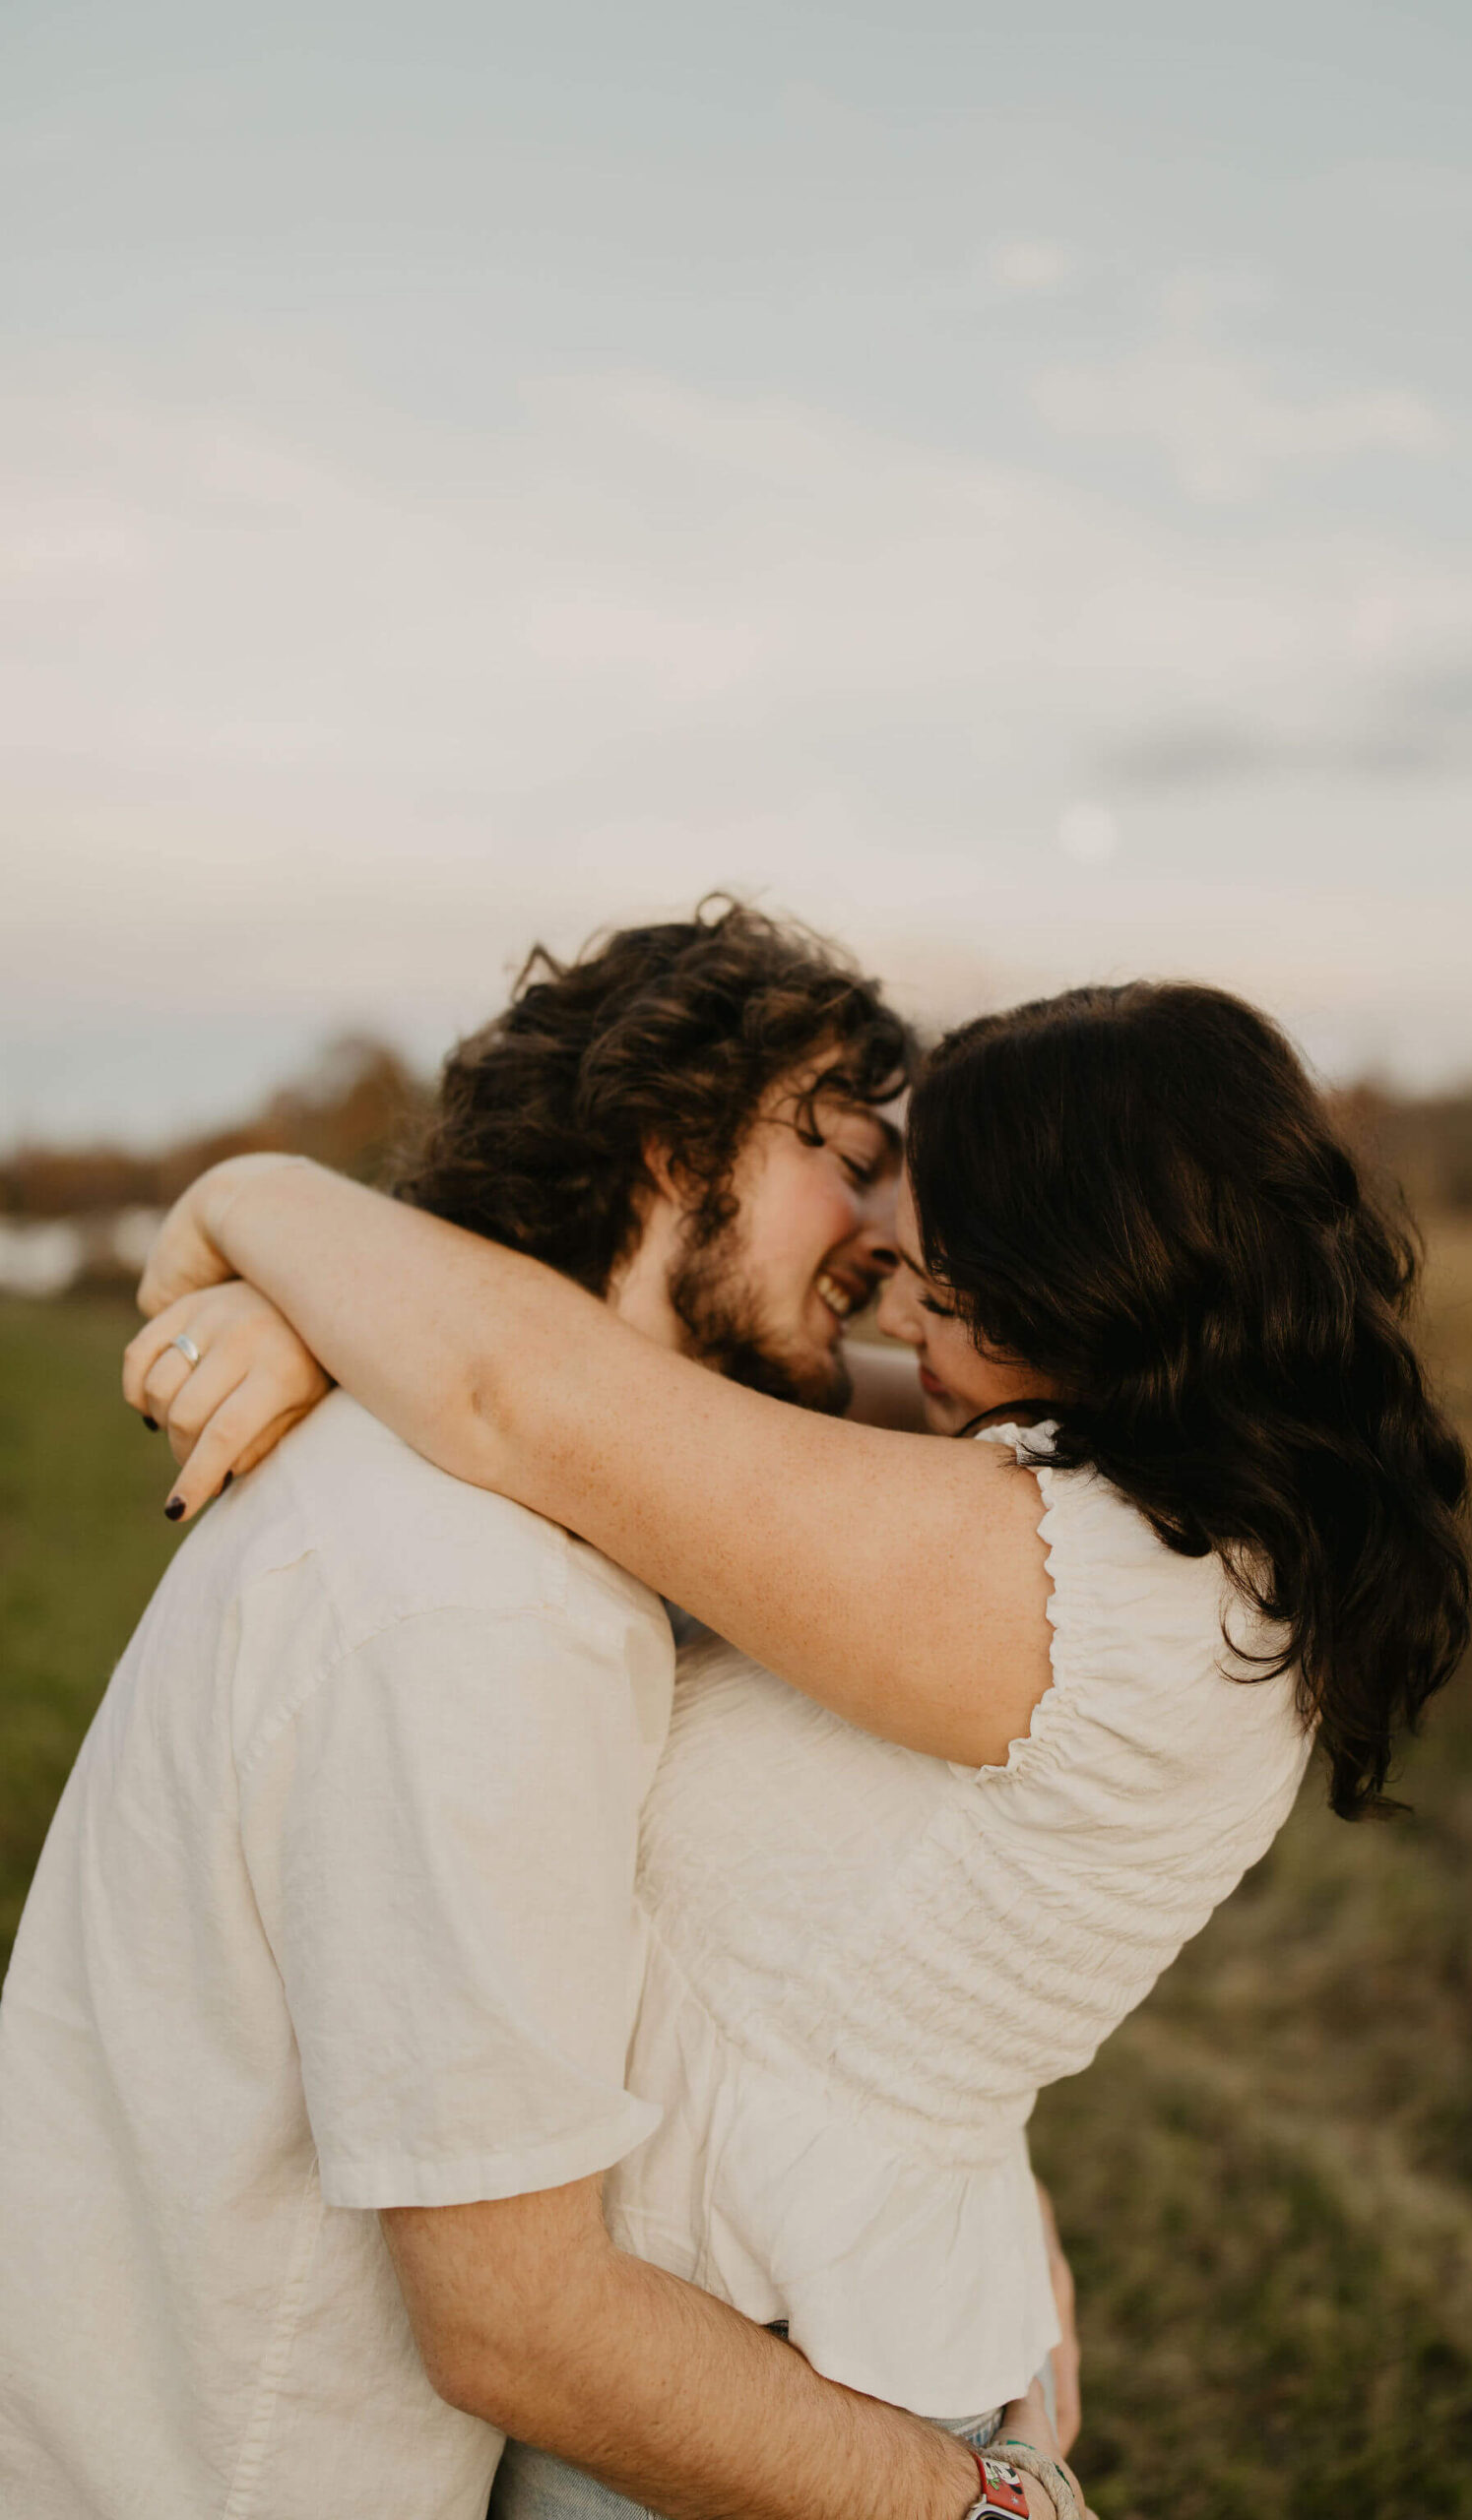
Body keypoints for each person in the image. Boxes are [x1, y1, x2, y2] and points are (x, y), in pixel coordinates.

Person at [122, 968, 1472, 2520]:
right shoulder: (1153, 1507)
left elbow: (524, 1393)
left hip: (744, 2387)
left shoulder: (1073, 1587)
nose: (903, 1318)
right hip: (763, 2333)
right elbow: (605, 1383)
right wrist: (317, 1325)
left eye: (947, 1294)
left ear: (1094, 1294)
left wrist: (253, 1196)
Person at [0, 904, 1081, 2520]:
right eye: (846, 1151)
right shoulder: (481, 1598)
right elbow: (519, 2325)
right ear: (669, 1142)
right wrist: (984, 2502)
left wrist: (292, 1253)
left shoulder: (508, 1495)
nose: (888, 1228)